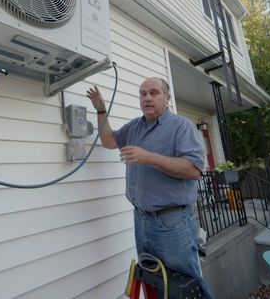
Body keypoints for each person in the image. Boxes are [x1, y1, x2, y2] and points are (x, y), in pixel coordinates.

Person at [87, 77, 212, 298]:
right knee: (156, 283)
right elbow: (107, 141)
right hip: (142, 219)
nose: (147, 98)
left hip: (172, 221)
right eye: (143, 94)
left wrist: (149, 157)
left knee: (186, 287)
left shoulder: (181, 126)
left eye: (154, 93)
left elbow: (193, 170)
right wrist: (101, 110)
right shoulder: (135, 126)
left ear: (167, 98)